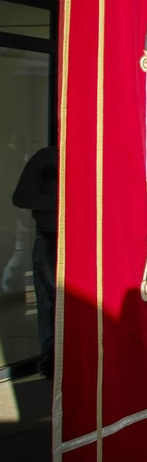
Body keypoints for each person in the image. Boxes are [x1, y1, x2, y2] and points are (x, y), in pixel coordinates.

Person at [11, 142, 57, 379]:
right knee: (50, 303)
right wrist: (63, 204)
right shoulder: (47, 158)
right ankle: (51, 363)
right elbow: (20, 197)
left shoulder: (93, 157)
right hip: (51, 239)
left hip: (87, 241)